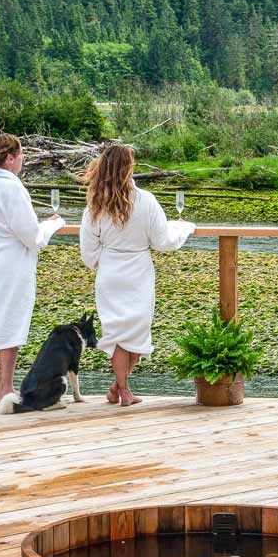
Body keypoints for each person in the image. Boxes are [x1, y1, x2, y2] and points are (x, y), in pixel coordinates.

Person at [79, 141, 192, 405]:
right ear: (128, 168)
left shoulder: (95, 204)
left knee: (118, 333)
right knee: (137, 332)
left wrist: (105, 260)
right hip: (138, 272)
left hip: (110, 273)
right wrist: (184, 229)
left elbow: (88, 253)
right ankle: (124, 391)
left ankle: (120, 388)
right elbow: (163, 241)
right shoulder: (146, 201)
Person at [0, 132, 64, 401]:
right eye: (21, 154)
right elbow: (32, 236)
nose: (23, 159)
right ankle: (5, 388)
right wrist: (53, 224)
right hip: (13, 257)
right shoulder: (13, 187)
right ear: (10, 158)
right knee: (12, 319)